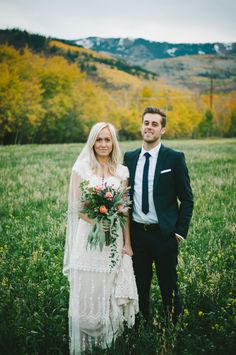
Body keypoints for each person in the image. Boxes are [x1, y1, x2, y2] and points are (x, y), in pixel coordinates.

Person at [63, 122, 138, 354]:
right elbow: (78, 208)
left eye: (108, 140)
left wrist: (127, 244)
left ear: (113, 142)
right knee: (88, 290)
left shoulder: (121, 171)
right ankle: (85, 345)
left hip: (114, 240)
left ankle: (109, 344)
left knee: (109, 289)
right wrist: (100, 222)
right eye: (99, 139)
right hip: (89, 240)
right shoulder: (82, 169)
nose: (103, 144)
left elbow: (124, 210)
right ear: (92, 142)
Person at [124, 106, 194, 324]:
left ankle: (173, 328)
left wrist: (179, 233)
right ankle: (141, 327)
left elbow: (187, 199)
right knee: (139, 285)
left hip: (164, 234)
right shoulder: (130, 157)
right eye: (146, 123)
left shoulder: (173, 158)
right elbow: (125, 196)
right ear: (141, 126)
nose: (149, 127)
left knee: (168, 285)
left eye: (155, 124)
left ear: (162, 129)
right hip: (137, 234)